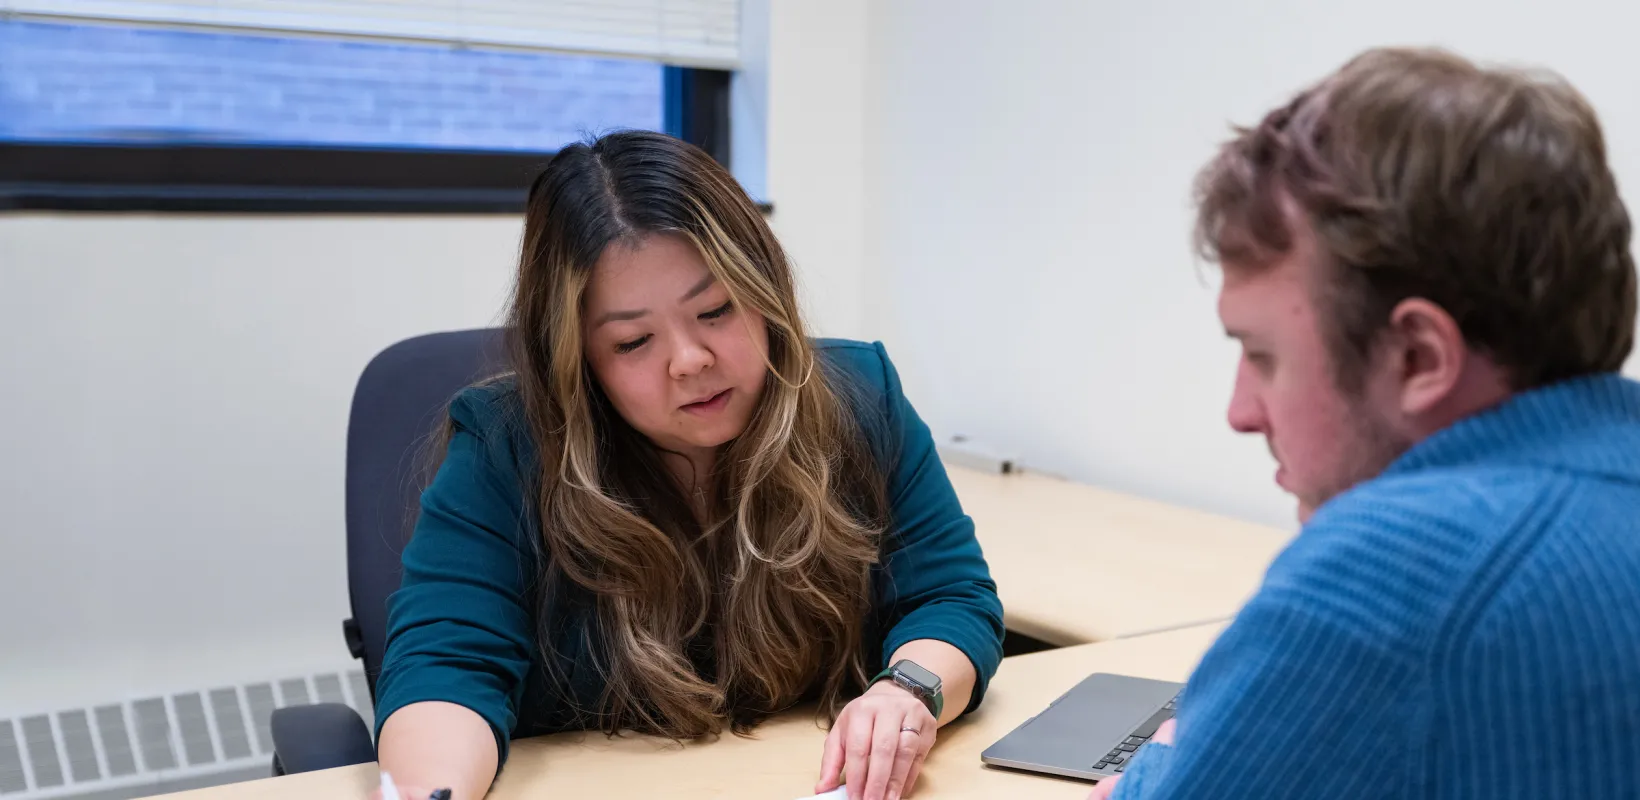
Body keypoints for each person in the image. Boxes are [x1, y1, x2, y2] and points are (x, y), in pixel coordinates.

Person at [372, 131, 1004, 800]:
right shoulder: (506, 447)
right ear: (577, 358)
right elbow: (446, 671)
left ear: (764, 292)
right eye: (634, 341)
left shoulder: (860, 396)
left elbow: (949, 597)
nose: (690, 359)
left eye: (715, 310)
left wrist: (907, 692)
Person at [1092, 47, 1640, 799]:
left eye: (1263, 355)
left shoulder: (1404, 561)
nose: (1240, 412)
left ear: (1417, 356)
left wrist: (1161, 761)